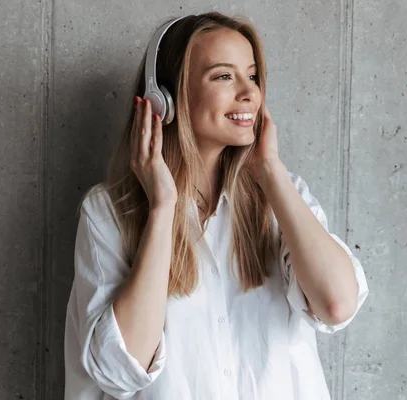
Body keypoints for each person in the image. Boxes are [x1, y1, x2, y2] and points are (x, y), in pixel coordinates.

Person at [64, 11, 369, 400]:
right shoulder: (108, 213)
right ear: (166, 99)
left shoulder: (283, 197)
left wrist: (271, 170)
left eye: (253, 76)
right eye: (224, 76)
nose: (250, 93)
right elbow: (119, 368)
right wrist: (163, 208)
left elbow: (337, 304)